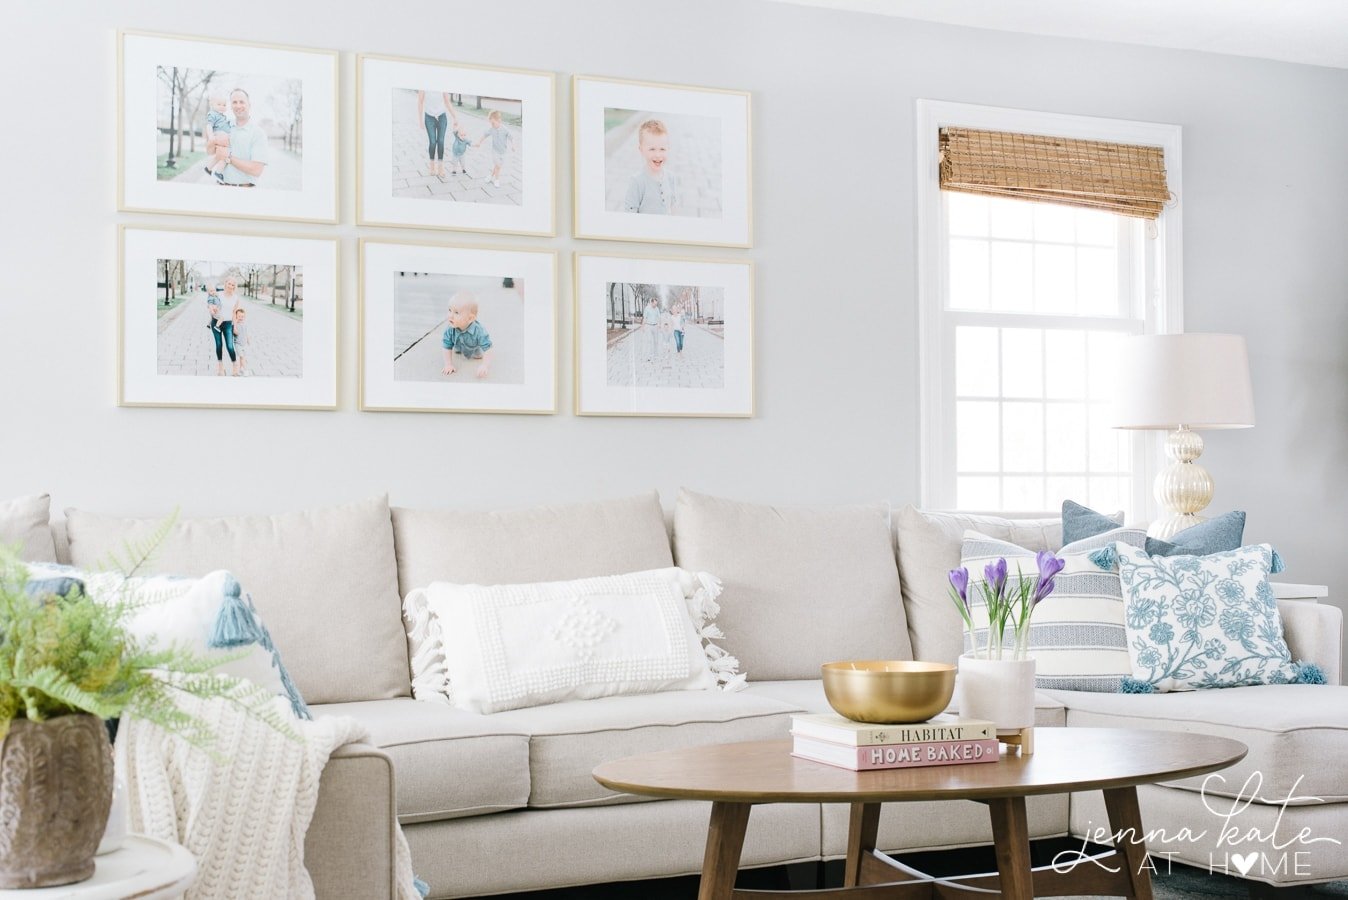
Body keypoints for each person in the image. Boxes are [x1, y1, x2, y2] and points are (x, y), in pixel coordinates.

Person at [213, 89, 268, 187]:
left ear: (249, 105)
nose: (238, 106)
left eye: (242, 102)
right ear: (231, 106)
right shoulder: (225, 126)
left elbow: (256, 170)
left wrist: (228, 157)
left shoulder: (258, 133)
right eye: (234, 102)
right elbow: (211, 150)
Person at [623, 119, 677, 214]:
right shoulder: (637, 182)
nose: (657, 154)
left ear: (668, 149)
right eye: (652, 149)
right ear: (641, 150)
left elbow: (672, 205)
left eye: (662, 149)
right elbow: (629, 213)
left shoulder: (671, 178)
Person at [441, 292, 494, 379]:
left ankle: (475, 352)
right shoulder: (450, 329)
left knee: (478, 355)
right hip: (458, 344)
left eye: (456, 312)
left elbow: (488, 348)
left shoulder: (479, 331)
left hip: (474, 346)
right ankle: (458, 348)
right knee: (455, 348)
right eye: (450, 310)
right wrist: (448, 364)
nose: (450, 315)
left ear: (470, 318)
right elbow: (446, 346)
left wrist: (485, 365)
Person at [205, 277, 241, 375]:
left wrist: (236, 326)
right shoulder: (218, 294)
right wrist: (210, 308)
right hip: (216, 322)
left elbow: (234, 313)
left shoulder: (236, 298)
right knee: (219, 345)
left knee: (230, 346)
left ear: (235, 287)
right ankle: (221, 367)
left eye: (233, 285)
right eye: (229, 284)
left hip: (228, 324)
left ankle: (235, 366)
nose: (230, 286)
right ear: (225, 284)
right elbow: (210, 301)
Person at [474, 110, 514, 188]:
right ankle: (497, 180)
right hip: (495, 151)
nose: (491, 125)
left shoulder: (505, 129)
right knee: (498, 166)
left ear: (499, 121)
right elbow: (484, 135)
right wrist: (479, 142)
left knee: (497, 166)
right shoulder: (492, 129)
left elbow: (511, 137)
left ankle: (490, 176)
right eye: (491, 123)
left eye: (493, 123)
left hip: (503, 152)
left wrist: (513, 145)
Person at [418, 90, 451, 177]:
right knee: (432, 142)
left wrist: (455, 117)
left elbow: (447, 102)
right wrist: (420, 120)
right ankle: (432, 167)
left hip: (442, 116)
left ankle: (440, 168)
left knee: (441, 141)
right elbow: (420, 102)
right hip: (429, 117)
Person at [201, 92, 233, 181]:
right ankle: (218, 173)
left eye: (224, 105)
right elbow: (209, 125)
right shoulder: (212, 114)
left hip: (222, 137)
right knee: (225, 155)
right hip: (219, 135)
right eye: (219, 104)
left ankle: (208, 168)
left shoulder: (222, 116)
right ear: (212, 104)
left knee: (220, 155)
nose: (222, 106)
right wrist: (211, 136)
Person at [447, 107, 473, 176]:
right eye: (461, 135)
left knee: (463, 162)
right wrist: (456, 126)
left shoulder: (465, 140)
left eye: (464, 135)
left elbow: (470, 142)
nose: (463, 136)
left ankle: (463, 169)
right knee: (454, 162)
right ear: (458, 135)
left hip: (462, 154)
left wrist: (475, 144)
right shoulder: (457, 137)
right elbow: (454, 131)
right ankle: (454, 170)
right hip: (455, 153)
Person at [640, 295, 661, 361]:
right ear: (651, 302)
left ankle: (656, 355)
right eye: (654, 304)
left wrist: (659, 324)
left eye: (656, 304)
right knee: (649, 341)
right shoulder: (647, 308)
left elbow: (659, 317)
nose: (655, 305)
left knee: (656, 341)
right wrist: (642, 327)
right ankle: (648, 356)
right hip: (648, 326)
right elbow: (644, 318)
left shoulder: (657, 308)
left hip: (655, 326)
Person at [231, 306, 250, 376]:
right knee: (242, 357)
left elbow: (246, 333)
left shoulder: (245, 324)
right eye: (239, 316)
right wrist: (235, 323)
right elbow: (235, 332)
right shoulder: (234, 324)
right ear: (236, 316)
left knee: (243, 357)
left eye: (242, 316)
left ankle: (241, 369)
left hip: (244, 343)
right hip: (238, 343)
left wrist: (248, 339)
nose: (241, 318)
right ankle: (245, 370)